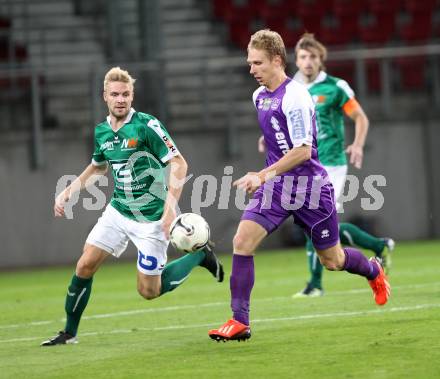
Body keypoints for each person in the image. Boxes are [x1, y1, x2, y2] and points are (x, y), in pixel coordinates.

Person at [208, 30, 390, 342]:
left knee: (332, 261)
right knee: (242, 241)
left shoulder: (296, 96)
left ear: (277, 61)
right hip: (278, 187)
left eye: (257, 63)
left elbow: (304, 150)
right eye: (249, 63)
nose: (251, 69)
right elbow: (282, 136)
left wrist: (262, 174)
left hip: (311, 189)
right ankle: (240, 321)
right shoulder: (259, 96)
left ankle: (373, 269)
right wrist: (271, 141)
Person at [41, 67, 224, 346]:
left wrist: (168, 210)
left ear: (132, 95)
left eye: (125, 94)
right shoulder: (102, 131)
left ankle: (200, 256)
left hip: (151, 218)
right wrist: (69, 191)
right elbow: (98, 168)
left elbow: (179, 163)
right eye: (115, 94)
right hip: (117, 211)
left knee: (149, 291)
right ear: (105, 96)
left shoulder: (147, 126)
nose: (120, 99)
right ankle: (69, 332)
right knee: (85, 264)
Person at [259, 33, 395, 298]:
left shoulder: (335, 87)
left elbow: (360, 118)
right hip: (302, 166)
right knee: (320, 226)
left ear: (321, 60)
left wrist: (357, 144)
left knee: (316, 221)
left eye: (313, 57)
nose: (307, 62)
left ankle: (315, 284)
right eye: (302, 57)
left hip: (330, 163)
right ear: (294, 60)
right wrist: (269, 136)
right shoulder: (291, 87)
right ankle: (379, 245)